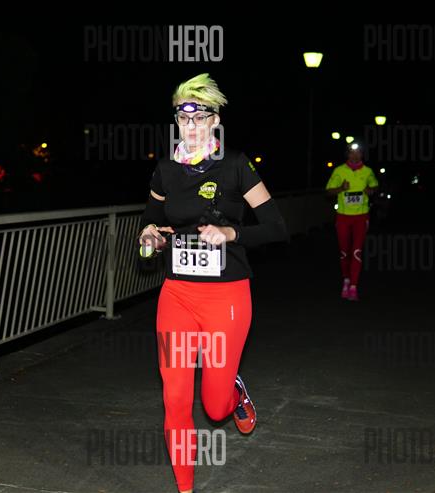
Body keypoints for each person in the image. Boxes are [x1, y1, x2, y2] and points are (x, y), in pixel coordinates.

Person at [137, 73, 288, 493]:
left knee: (215, 408)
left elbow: (276, 227)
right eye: (183, 118)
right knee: (175, 398)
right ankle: (185, 488)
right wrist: (149, 233)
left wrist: (230, 233)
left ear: (215, 120)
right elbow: (152, 217)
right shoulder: (165, 170)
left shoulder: (236, 165)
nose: (191, 126)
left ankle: (234, 392)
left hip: (227, 297)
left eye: (200, 117)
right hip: (177, 295)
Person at [325, 144, 379, 301]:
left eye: (358, 153)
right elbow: (328, 191)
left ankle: (354, 286)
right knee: (344, 252)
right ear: (347, 155)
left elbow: (375, 185)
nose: (355, 156)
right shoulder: (339, 171)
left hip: (361, 217)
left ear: (362, 155)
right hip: (343, 217)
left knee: (356, 252)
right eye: (352, 153)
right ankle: (346, 280)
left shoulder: (367, 171)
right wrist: (341, 188)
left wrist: (371, 190)